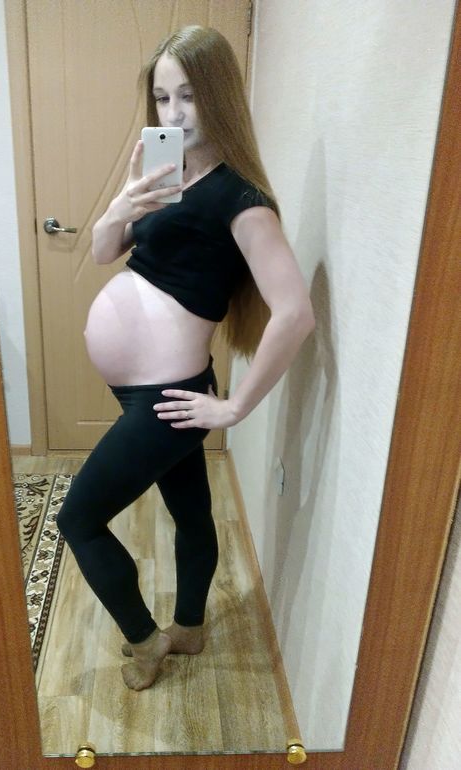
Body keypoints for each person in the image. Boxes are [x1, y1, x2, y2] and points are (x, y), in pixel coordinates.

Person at [55, 25, 315, 692]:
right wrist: (121, 204)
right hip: (145, 390)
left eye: (190, 96)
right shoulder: (168, 175)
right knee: (192, 512)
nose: (173, 113)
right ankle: (191, 628)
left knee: (78, 519)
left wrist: (235, 408)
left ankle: (146, 641)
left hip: (169, 396)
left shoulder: (242, 200)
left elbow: (295, 312)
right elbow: (104, 252)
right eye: (163, 97)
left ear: (220, 95)